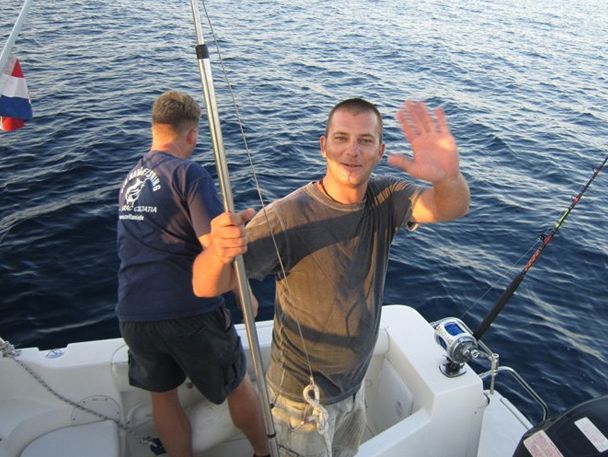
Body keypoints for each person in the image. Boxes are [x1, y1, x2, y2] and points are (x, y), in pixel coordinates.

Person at [192, 98, 470, 457]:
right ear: (324, 146)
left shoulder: (387, 198)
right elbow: (205, 286)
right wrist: (218, 251)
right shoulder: (286, 217)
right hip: (300, 404)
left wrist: (448, 178)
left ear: (380, 150)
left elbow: (452, 206)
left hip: (353, 389)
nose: (352, 150)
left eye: (365, 140)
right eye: (341, 138)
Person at [116, 90, 269, 457]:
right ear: (192, 134)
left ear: (154, 127)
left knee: (163, 397)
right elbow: (216, 247)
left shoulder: (130, 178)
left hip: (133, 314)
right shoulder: (190, 174)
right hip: (189, 311)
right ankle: (264, 454)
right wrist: (243, 292)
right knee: (238, 385)